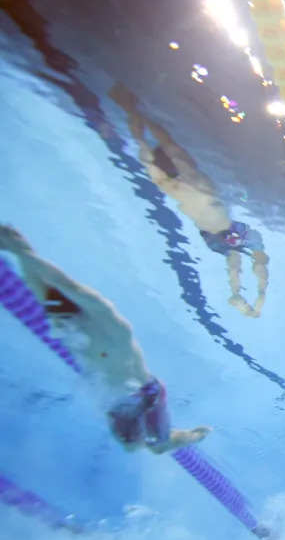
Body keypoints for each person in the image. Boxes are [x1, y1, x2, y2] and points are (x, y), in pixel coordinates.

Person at [0, 225, 210, 453]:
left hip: (143, 398)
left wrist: (23, 252)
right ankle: (17, 245)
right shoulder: (70, 321)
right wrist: (21, 251)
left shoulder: (111, 326)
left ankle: (193, 436)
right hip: (121, 395)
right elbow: (52, 286)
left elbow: (68, 287)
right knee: (44, 290)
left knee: (153, 447)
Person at [109, 84, 269, 318]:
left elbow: (150, 145)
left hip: (210, 218)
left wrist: (131, 110)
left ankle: (245, 296)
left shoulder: (170, 181)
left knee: (239, 256)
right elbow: (159, 142)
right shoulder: (181, 176)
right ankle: (249, 297)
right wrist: (135, 112)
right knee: (246, 255)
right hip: (210, 217)